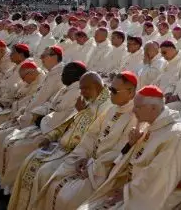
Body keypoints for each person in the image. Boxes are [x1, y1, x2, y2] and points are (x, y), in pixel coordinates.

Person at [26, 72, 137, 210]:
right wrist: (83, 156)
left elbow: (118, 152)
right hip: (88, 161)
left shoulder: (134, 117)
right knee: (52, 181)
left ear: (130, 92)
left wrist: (91, 165)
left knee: (66, 197)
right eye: (110, 89)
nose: (110, 93)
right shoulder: (112, 109)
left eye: (114, 90)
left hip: (103, 172)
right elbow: (91, 135)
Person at [77, 85, 181, 209]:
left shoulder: (176, 136)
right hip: (134, 188)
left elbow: (159, 179)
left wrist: (126, 193)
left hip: (153, 197)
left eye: (138, 107)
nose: (133, 111)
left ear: (153, 108)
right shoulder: (150, 126)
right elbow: (132, 161)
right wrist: (131, 144)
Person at [7, 71, 110, 210]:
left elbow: (94, 136)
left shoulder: (106, 107)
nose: (82, 92)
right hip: (61, 148)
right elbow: (67, 123)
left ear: (97, 87)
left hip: (77, 154)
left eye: (86, 88)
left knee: (43, 173)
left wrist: (82, 111)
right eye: (81, 88)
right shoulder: (87, 100)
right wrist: (49, 137)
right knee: (31, 161)